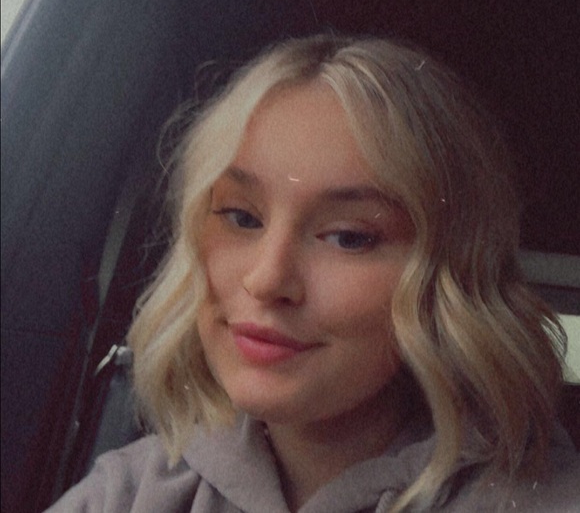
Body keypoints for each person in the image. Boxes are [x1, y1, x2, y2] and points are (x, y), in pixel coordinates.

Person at [46, 35, 579, 512]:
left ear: (449, 280)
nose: (267, 279)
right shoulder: (125, 494)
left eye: (348, 237)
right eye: (242, 217)